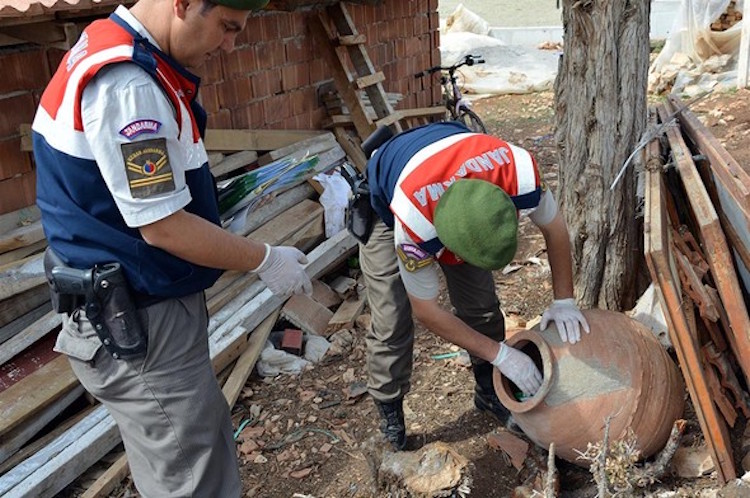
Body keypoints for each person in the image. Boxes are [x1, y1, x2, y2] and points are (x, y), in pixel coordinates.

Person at [31, 0, 311, 495]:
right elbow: (164, 228)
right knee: (192, 477)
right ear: (182, 3)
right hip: (142, 321)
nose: (230, 45)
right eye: (226, 27)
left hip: (131, 309)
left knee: (182, 460)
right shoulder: (128, 85)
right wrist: (264, 259)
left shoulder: (114, 44)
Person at [359, 121, 590, 450]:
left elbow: (555, 229)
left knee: (480, 306)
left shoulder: (518, 171)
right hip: (388, 199)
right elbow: (425, 311)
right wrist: (501, 355)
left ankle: (487, 391)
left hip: (455, 177)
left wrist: (564, 300)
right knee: (391, 319)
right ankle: (389, 410)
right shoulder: (413, 224)